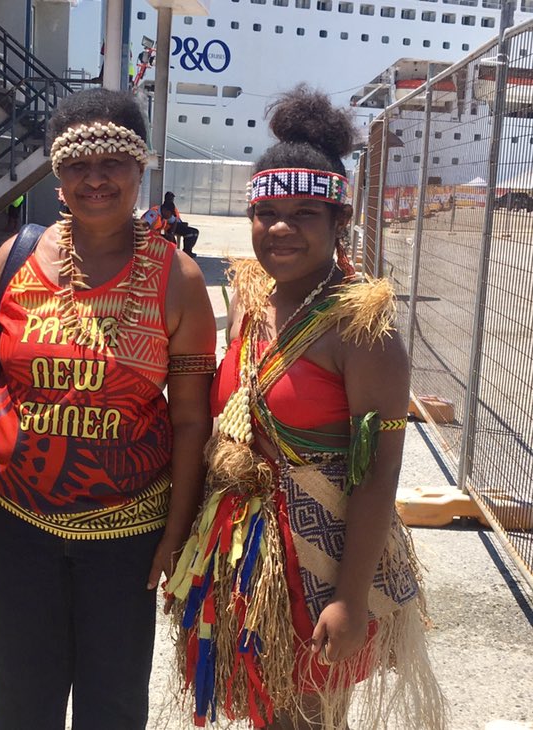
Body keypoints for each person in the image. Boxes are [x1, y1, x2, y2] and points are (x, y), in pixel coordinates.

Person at [0, 88, 217, 729]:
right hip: (16, 520)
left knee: (113, 701)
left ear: (140, 167)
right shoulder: (14, 259)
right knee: (22, 691)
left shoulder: (179, 279)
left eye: (112, 161)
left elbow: (191, 419)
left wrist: (177, 532)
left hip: (128, 533)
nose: (95, 179)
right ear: (57, 174)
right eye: (76, 164)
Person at [166, 86, 445, 729]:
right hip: (240, 547)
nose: (281, 228)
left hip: (318, 562)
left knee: (311, 715)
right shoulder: (250, 295)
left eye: (305, 214)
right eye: (267, 213)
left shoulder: (363, 331)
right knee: (262, 709)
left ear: (339, 221)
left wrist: (349, 599)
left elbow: (379, 477)